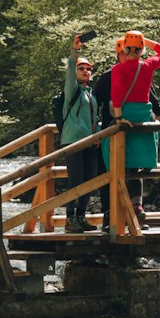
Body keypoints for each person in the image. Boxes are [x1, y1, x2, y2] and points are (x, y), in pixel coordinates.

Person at [103, 30, 160, 221]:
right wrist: (145, 42)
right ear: (140, 51)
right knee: (136, 168)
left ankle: (118, 209)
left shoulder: (118, 70)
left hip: (127, 117)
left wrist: (118, 118)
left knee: (118, 160)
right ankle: (137, 205)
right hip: (144, 117)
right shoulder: (147, 66)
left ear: (124, 48)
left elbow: (116, 95)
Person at [60, 35, 98, 232]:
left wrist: (98, 135)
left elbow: (93, 119)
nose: (85, 71)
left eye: (88, 69)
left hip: (90, 142)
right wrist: (76, 52)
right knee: (75, 179)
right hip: (73, 141)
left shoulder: (90, 95)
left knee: (89, 179)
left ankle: (81, 216)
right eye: (82, 68)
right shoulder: (72, 90)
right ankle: (69, 219)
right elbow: (70, 68)